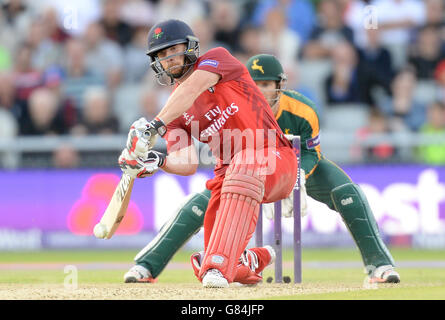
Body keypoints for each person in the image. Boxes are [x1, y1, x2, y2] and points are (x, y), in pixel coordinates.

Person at [122, 51, 401, 285]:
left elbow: (309, 152)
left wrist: (298, 181)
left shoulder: (301, 109)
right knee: (199, 204)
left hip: (299, 167)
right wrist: (159, 160)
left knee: (347, 193)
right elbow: (193, 150)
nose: (263, 90)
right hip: (243, 171)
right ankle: (152, 266)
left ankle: (380, 266)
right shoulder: (236, 98)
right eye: (257, 84)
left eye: (268, 84)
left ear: (280, 85)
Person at [118, 19, 299, 288]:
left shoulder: (217, 59)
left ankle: (220, 263)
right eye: (161, 55)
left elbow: (191, 88)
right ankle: (248, 260)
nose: (168, 59)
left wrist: (154, 125)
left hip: (274, 158)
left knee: (246, 163)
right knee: (208, 264)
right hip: (228, 180)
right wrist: (158, 160)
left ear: (190, 46)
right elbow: (188, 163)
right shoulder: (174, 113)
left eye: (172, 50)